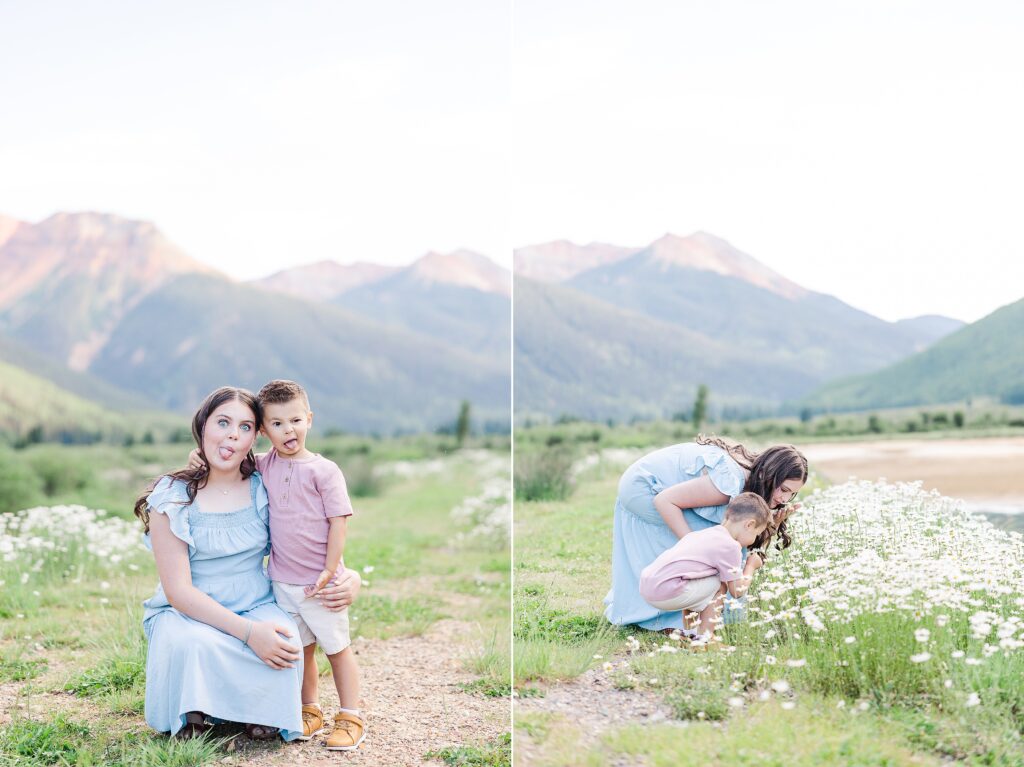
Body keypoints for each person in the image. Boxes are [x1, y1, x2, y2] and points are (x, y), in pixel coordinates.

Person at [135, 386, 361, 741]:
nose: (231, 435)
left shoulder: (262, 482)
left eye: (244, 427)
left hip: (254, 602)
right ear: (203, 425)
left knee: (285, 641)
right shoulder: (173, 496)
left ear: (257, 436)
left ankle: (257, 712)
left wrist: (348, 575)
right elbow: (179, 592)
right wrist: (248, 633)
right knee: (194, 643)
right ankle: (198, 713)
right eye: (223, 422)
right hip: (186, 610)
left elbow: (307, 530)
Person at [605, 435, 808, 632]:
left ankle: (689, 615)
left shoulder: (751, 481)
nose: (784, 498)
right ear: (767, 474)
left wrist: (772, 523)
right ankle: (681, 618)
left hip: (657, 487)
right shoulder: (729, 482)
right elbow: (664, 501)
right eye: (783, 489)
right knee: (713, 542)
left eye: (792, 493)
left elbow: (745, 534)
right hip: (643, 487)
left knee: (718, 541)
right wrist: (693, 545)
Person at [639, 492, 771, 641]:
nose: (754, 540)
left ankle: (690, 634)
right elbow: (737, 591)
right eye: (757, 534)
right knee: (720, 587)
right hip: (667, 591)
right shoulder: (730, 546)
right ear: (749, 524)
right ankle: (704, 638)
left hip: (649, 587)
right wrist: (751, 566)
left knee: (699, 582)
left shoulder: (701, 535)